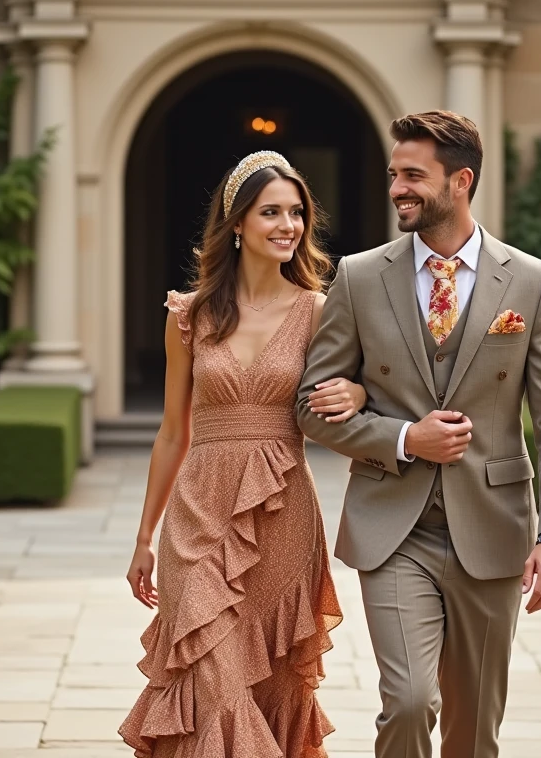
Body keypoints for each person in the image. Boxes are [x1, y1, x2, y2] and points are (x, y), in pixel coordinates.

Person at [296, 111, 541, 758]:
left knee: (474, 728)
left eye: (413, 175)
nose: (397, 187)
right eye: (393, 173)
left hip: (493, 528)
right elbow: (312, 410)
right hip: (394, 529)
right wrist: (404, 439)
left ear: (461, 181)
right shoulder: (359, 277)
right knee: (407, 702)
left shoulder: (532, 282)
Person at [120, 151, 367, 758]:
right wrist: (144, 537)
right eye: (271, 212)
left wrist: (358, 390)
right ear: (237, 224)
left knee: (272, 686)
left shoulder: (319, 310)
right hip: (198, 517)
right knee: (212, 677)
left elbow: (367, 389)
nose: (289, 225)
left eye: (297, 213)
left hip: (284, 518)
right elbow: (172, 432)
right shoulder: (191, 314)